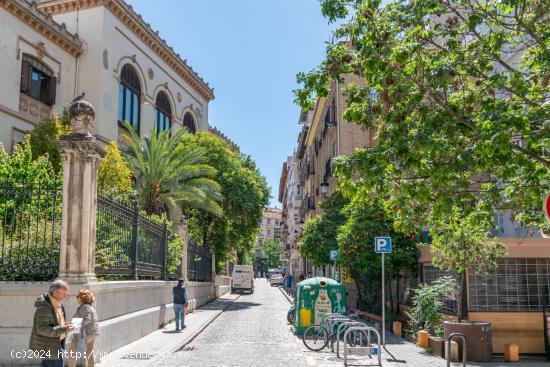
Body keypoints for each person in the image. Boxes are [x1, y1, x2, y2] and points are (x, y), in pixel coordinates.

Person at [29, 279, 74, 367]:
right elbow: (42, 329)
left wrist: (65, 325)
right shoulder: (44, 307)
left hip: (56, 345)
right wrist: (64, 328)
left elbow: (56, 322)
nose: (65, 296)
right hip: (49, 348)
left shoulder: (58, 304)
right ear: (55, 293)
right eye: (63, 294)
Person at [68, 289, 99, 367]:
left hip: (86, 333)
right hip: (92, 332)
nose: (76, 298)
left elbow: (87, 319)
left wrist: (75, 324)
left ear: (82, 298)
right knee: (89, 352)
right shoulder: (90, 306)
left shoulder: (85, 307)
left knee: (72, 351)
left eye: (78, 296)